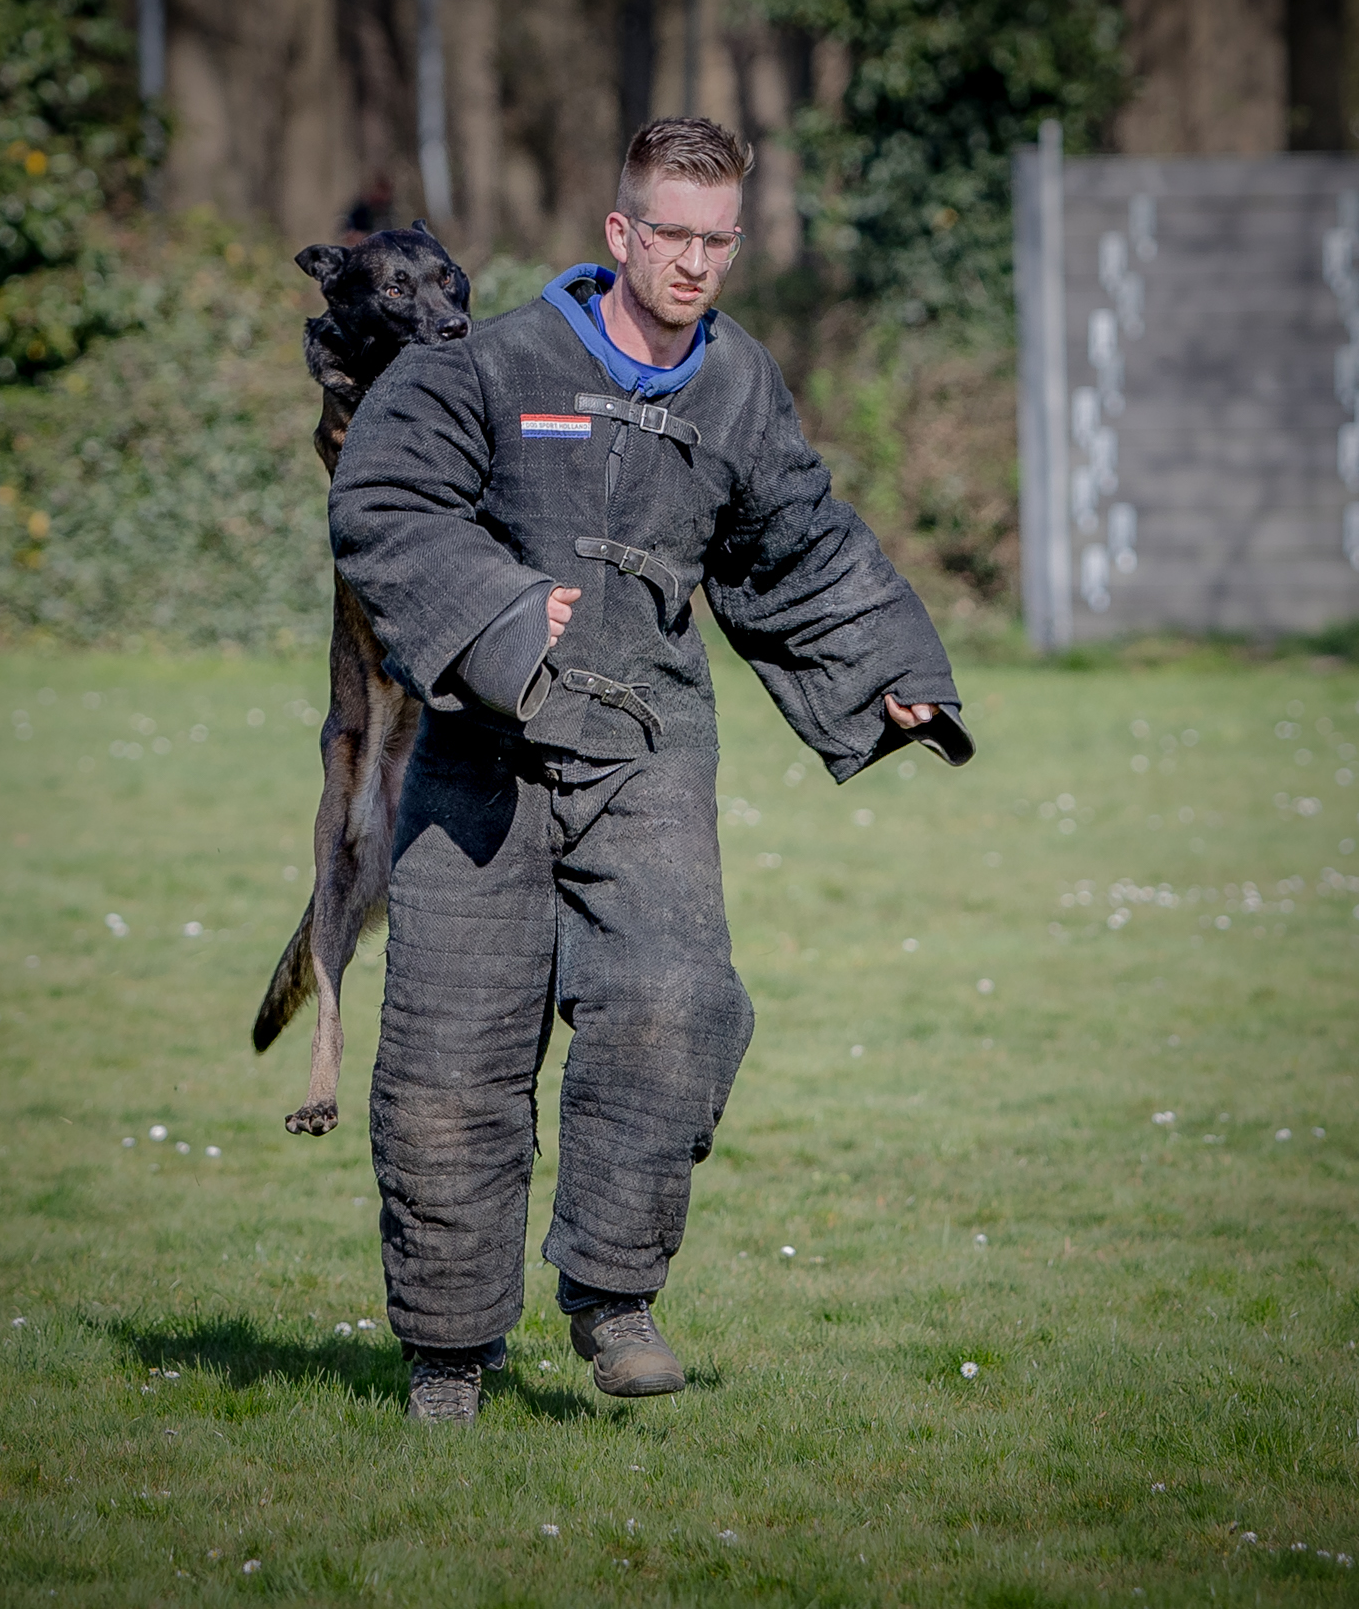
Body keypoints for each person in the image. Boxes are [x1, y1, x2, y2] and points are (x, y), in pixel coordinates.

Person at [329, 117, 974, 1423]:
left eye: (715, 241)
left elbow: (794, 541)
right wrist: (504, 621)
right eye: (669, 234)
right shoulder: (488, 362)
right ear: (620, 232)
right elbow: (386, 505)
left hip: (647, 740)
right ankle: (447, 1358)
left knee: (680, 1003)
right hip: (478, 754)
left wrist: (885, 670)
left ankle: (612, 1298)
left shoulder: (737, 386)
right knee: (449, 1063)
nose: (692, 261)